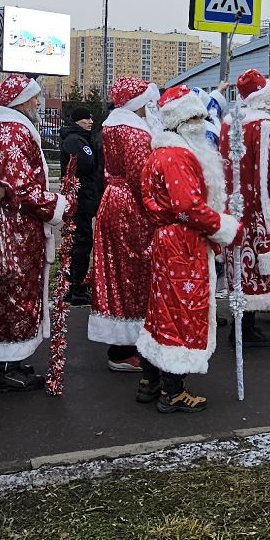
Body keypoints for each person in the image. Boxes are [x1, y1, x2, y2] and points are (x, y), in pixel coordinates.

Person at [137, 85, 239, 413]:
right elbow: (188, 206)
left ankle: (150, 381)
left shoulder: (161, 151)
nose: (201, 121)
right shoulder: (178, 155)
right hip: (183, 243)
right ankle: (174, 391)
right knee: (182, 311)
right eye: (194, 116)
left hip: (167, 240)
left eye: (201, 114)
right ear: (180, 120)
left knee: (161, 311)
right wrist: (223, 227)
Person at [0, 74, 67, 393]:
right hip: (15, 227)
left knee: (12, 292)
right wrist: (58, 204)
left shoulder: (6, 126)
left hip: (12, 223)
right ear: (19, 101)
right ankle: (4, 368)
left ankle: (8, 359)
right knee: (15, 292)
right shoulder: (13, 130)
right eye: (33, 98)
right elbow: (21, 187)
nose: (37, 103)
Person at [87, 78, 158, 374]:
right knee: (134, 274)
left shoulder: (111, 126)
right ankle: (125, 349)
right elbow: (142, 177)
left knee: (115, 272)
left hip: (112, 201)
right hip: (131, 208)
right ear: (138, 102)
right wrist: (156, 209)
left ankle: (121, 343)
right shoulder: (136, 133)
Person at [221, 69, 270, 346]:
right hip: (258, 210)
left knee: (239, 265)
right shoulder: (264, 124)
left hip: (234, 206)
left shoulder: (230, 122)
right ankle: (244, 330)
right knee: (256, 267)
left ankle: (243, 325)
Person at [59, 106, 104, 306]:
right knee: (81, 243)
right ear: (78, 121)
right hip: (79, 200)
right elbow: (87, 163)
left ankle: (71, 286)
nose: (91, 122)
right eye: (87, 119)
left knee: (79, 242)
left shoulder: (80, 139)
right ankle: (76, 288)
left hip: (83, 198)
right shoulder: (75, 141)